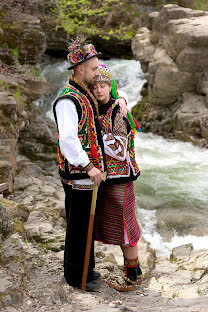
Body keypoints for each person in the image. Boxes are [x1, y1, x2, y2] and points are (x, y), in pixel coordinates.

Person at [53, 38, 127, 291]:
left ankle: (87, 270)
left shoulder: (85, 93)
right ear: (80, 69)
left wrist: (123, 100)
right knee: (77, 226)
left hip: (89, 173)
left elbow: (113, 90)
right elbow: (68, 140)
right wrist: (88, 166)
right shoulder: (67, 100)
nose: (98, 72)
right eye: (94, 68)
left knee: (87, 224)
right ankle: (76, 277)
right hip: (79, 173)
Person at [92, 64, 143, 292]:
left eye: (103, 85)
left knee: (125, 229)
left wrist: (93, 143)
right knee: (118, 227)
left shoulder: (116, 111)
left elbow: (121, 150)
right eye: (95, 86)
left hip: (120, 178)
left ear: (110, 87)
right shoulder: (97, 107)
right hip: (107, 179)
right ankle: (135, 271)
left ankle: (132, 277)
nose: (99, 90)